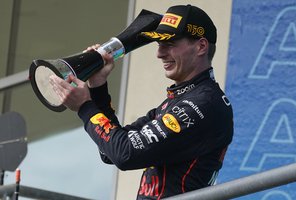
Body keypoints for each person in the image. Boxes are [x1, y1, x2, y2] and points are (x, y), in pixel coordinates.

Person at [49, 4, 234, 200]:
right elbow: (110, 151)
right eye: (159, 44)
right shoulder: (177, 102)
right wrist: (98, 86)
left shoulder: (203, 104)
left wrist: (86, 107)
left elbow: (124, 154)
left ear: (201, 46)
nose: (160, 53)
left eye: (169, 44)